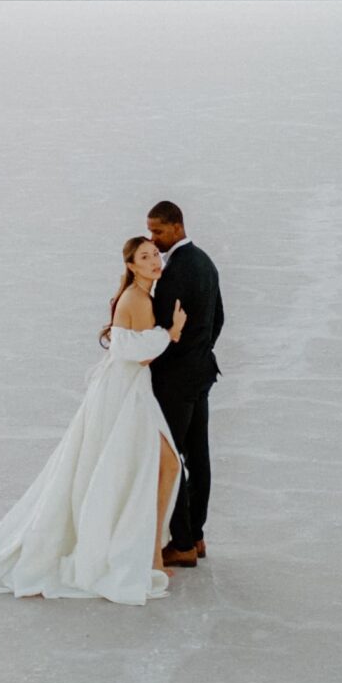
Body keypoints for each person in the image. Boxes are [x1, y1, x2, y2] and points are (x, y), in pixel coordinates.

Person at [0, 237, 188, 605]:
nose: (154, 260)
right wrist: (170, 334)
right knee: (140, 466)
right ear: (131, 265)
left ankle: (150, 552)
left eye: (155, 254)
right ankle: (139, 553)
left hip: (131, 392)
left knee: (155, 465)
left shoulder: (143, 297)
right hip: (124, 395)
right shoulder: (136, 299)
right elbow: (135, 355)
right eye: (145, 257)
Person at [134, 200, 221, 565]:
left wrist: (157, 363)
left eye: (157, 231)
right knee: (198, 456)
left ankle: (182, 542)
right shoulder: (205, 262)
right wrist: (200, 355)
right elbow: (218, 320)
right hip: (202, 372)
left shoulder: (177, 272)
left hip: (177, 380)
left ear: (177, 226)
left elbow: (166, 331)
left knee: (172, 458)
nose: (153, 238)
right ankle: (197, 536)